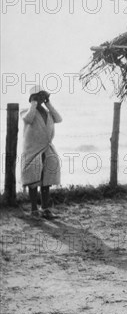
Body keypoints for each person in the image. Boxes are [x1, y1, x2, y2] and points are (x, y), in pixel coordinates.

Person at [20, 85, 62, 220]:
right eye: (38, 96)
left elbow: (59, 118)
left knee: (46, 179)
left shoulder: (48, 113)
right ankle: (34, 210)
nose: (41, 99)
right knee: (33, 179)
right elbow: (28, 119)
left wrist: (48, 102)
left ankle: (45, 209)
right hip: (33, 150)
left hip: (47, 148)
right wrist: (33, 103)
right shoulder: (26, 111)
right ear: (32, 98)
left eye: (43, 96)